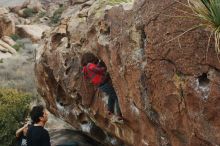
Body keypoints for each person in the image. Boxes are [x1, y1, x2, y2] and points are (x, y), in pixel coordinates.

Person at [81, 52, 123, 123]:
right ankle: (118, 115)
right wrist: (103, 68)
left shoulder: (85, 68)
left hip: (101, 85)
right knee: (116, 97)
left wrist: (98, 65)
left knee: (111, 95)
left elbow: (93, 72)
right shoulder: (89, 65)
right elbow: (96, 69)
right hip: (103, 83)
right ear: (90, 58)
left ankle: (110, 110)